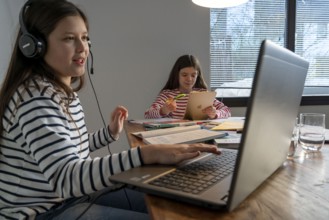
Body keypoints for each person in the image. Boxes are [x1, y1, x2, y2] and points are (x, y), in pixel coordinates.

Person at [0, 1, 221, 220]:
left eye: (85, 38)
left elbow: (69, 150)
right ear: (35, 46)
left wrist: (109, 133)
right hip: (42, 212)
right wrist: (145, 155)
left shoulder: (63, 94)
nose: (83, 48)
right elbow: (66, 179)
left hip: (72, 197)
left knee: (169, 201)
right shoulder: (35, 98)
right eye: (69, 38)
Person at [144, 54, 231, 119]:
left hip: (200, 136)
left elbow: (227, 111)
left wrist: (215, 113)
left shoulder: (203, 94)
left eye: (193, 75)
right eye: (184, 75)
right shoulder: (167, 94)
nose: (189, 79)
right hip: (176, 137)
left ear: (197, 76)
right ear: (177, 75)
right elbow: (147, 114)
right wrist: (163, 111)